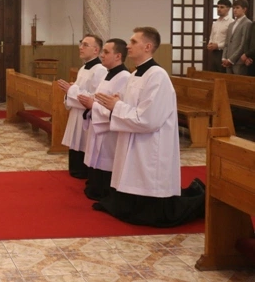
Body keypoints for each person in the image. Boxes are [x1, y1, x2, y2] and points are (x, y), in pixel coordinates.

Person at [94, 27, 205, 227]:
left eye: (133, 42)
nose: (128, 46)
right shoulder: (136, 74)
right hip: (134, 138)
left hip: (151, 142)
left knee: (157, 204)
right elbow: (133, 105)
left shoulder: (158, 76)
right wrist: (119, 101)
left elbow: (149, 119)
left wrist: (117, 106)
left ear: (147, 47)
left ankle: (200, 201)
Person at [79, 39, 130, 201]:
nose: (102, 55)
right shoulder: (109, 74)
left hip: (109, 129)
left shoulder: (124, 77)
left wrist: (93, 105)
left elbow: (118, 106)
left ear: (118, 56)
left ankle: (104, 191)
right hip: (98, 123)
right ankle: (95, 186)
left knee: (107, 159)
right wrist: (92, 103)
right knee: (97, 157)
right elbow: (100, 98)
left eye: (106, 52)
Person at [57, 34, 106, 179]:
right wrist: (71, 90)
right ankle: (77, 170)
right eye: (81, 44)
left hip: (87, 116)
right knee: (76, 142)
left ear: (96, 50)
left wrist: (72, 90)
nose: (80, 47)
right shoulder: (84, 67)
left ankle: (84, 171)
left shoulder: (100, 70)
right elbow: (80, 90)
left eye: (85, 45)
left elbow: (96, 97)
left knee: (84, 143)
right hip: (77, 112)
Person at [222, 0, 252, 75]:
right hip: (228, 59)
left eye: (237, 8)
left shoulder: (247, 23)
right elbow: (227, 43)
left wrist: (231, 60)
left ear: (244, 9)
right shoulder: (231, 24)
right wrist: (224, 58)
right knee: (228, 81)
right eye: (234, 8)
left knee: (238, 81)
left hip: (239, 61)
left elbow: (243, 44)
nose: (235, 10)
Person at [207, 0, 233, 72]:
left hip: (224, 52)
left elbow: (230, 40)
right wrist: (210, 43)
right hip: (213, 52)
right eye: (218, 7)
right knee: (212, 73)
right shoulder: (216, 22)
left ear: (228, 9)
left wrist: (218, 46)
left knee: (222, 74)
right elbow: (212, 36)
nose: (219, 9)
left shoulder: (231, 22)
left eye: (222, 7)